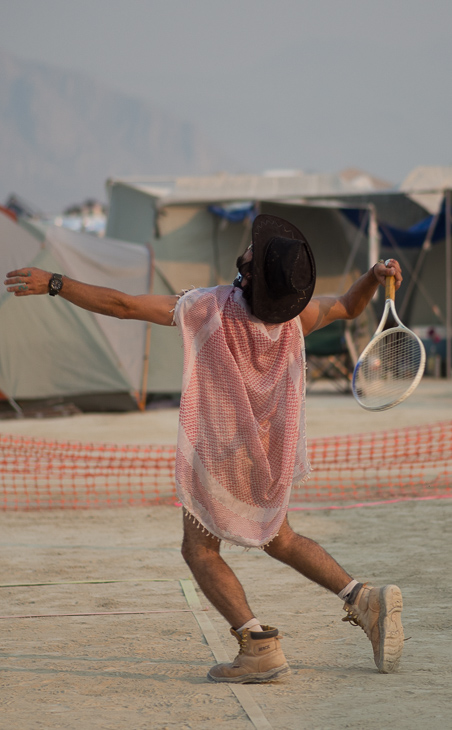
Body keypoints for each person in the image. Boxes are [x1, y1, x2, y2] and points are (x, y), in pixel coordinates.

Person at [4, 214, 404, 684]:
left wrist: (55, 282)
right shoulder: (298, 320)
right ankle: (362, 598)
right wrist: (373, 279)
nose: (249, 251)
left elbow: (123, 306)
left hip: (220, 455)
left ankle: (257, 646)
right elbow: (351, 307)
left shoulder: (208, 309)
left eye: (254, 253)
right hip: (267, 455)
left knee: (199, 551)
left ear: (251, 275)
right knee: (281, 537)